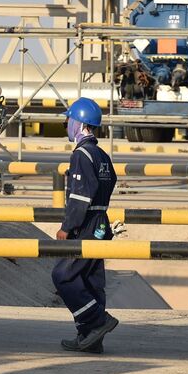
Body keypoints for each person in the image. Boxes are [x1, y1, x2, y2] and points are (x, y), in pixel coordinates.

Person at [52, 97, 118, 354]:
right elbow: (110, 182)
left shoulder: (81, 154)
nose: (67, 124)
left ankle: (97, 322)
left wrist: (67, 227)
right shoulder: (101, 154)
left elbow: (80, 196)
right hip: (101, 222)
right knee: (91, 280)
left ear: (80, 123)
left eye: (69, 119)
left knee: (63, 275)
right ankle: (91, 339)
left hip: (87, 224)